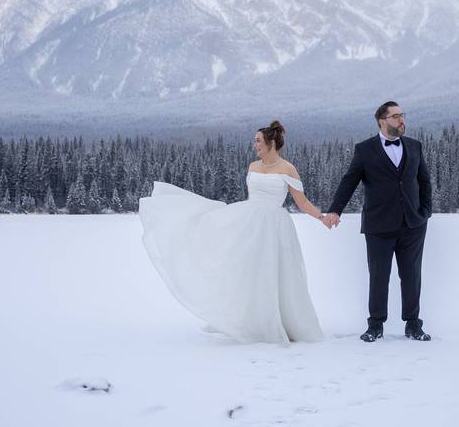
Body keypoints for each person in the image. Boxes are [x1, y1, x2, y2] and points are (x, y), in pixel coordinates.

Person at [139, 121, 324, 345]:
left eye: (258, 141)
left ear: (271, 143)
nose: (255, 144)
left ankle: (280, 321)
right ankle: (251, 320)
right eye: (255, 141)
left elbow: (302, 202)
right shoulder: (253, 167)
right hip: (251, 223)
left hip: (275, 227)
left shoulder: (288, 169)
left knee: (274, 273)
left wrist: (322, 217)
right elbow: (252, 198)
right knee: (248, 271)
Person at [322, 102, 433, 342]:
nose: (401, 120)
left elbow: (424, 181)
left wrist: (426, 212)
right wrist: (335, 210)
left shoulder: (415, 146)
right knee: (379, 276)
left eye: (402, 115)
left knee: (412, 275)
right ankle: (375, 325)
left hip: (413, 224)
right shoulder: (365, 150)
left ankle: (413, 325)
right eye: (396, 116)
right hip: (379, 225)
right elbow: (349, 181)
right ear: (382, 121)